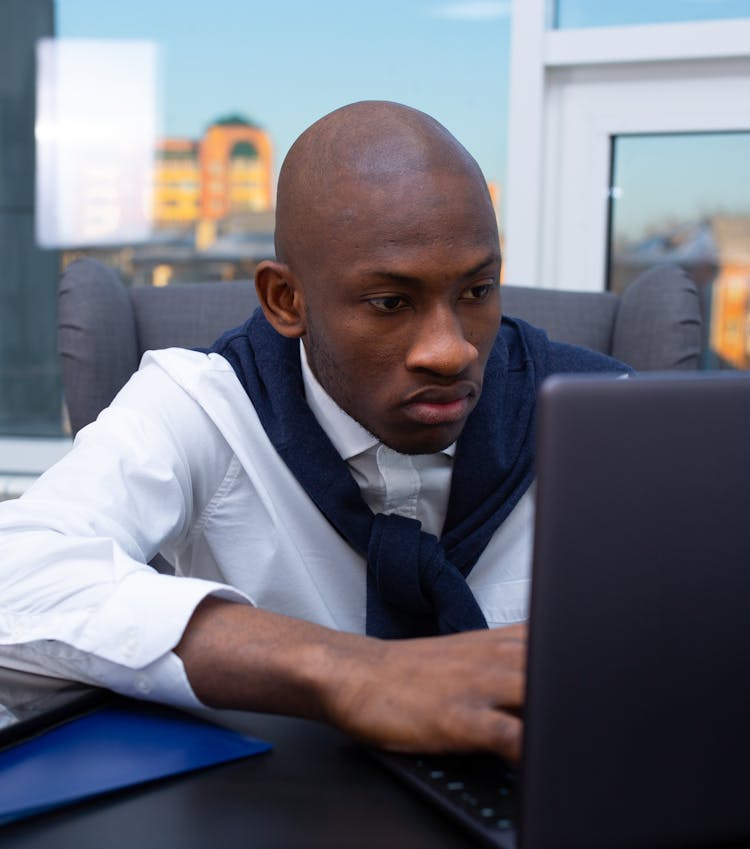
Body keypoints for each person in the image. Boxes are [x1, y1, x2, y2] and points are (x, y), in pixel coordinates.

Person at [0, 101, 628, 762]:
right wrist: (351, 671)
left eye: (477, 291)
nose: (451, 351)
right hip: (264, 836)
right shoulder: (206, 406)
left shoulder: (603, 419)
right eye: (390, 302)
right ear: (286, 300)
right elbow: (16, 578)